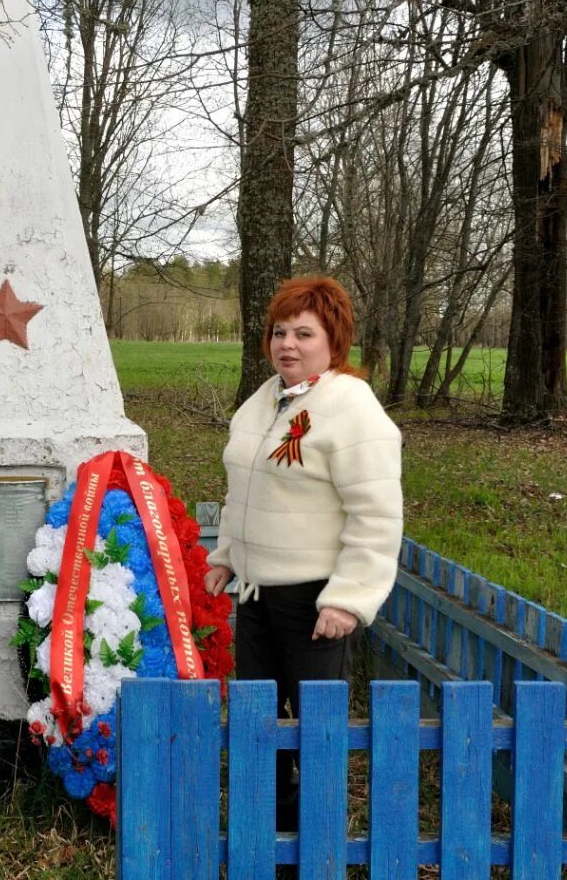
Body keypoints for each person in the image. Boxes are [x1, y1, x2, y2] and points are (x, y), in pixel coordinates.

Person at [203, 275, 402, 831]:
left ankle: (315, 845)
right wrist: (227, 556)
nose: (287, 344)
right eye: (279, 332)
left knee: (315, 730)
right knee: (258, 722)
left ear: (333, 341)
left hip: (317, 604)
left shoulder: (351, 409)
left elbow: (376, 516)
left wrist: (349, 598)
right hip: (256, 595)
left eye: (303, 334)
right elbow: (244, 490)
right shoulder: (267, 400)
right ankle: (265, 834)